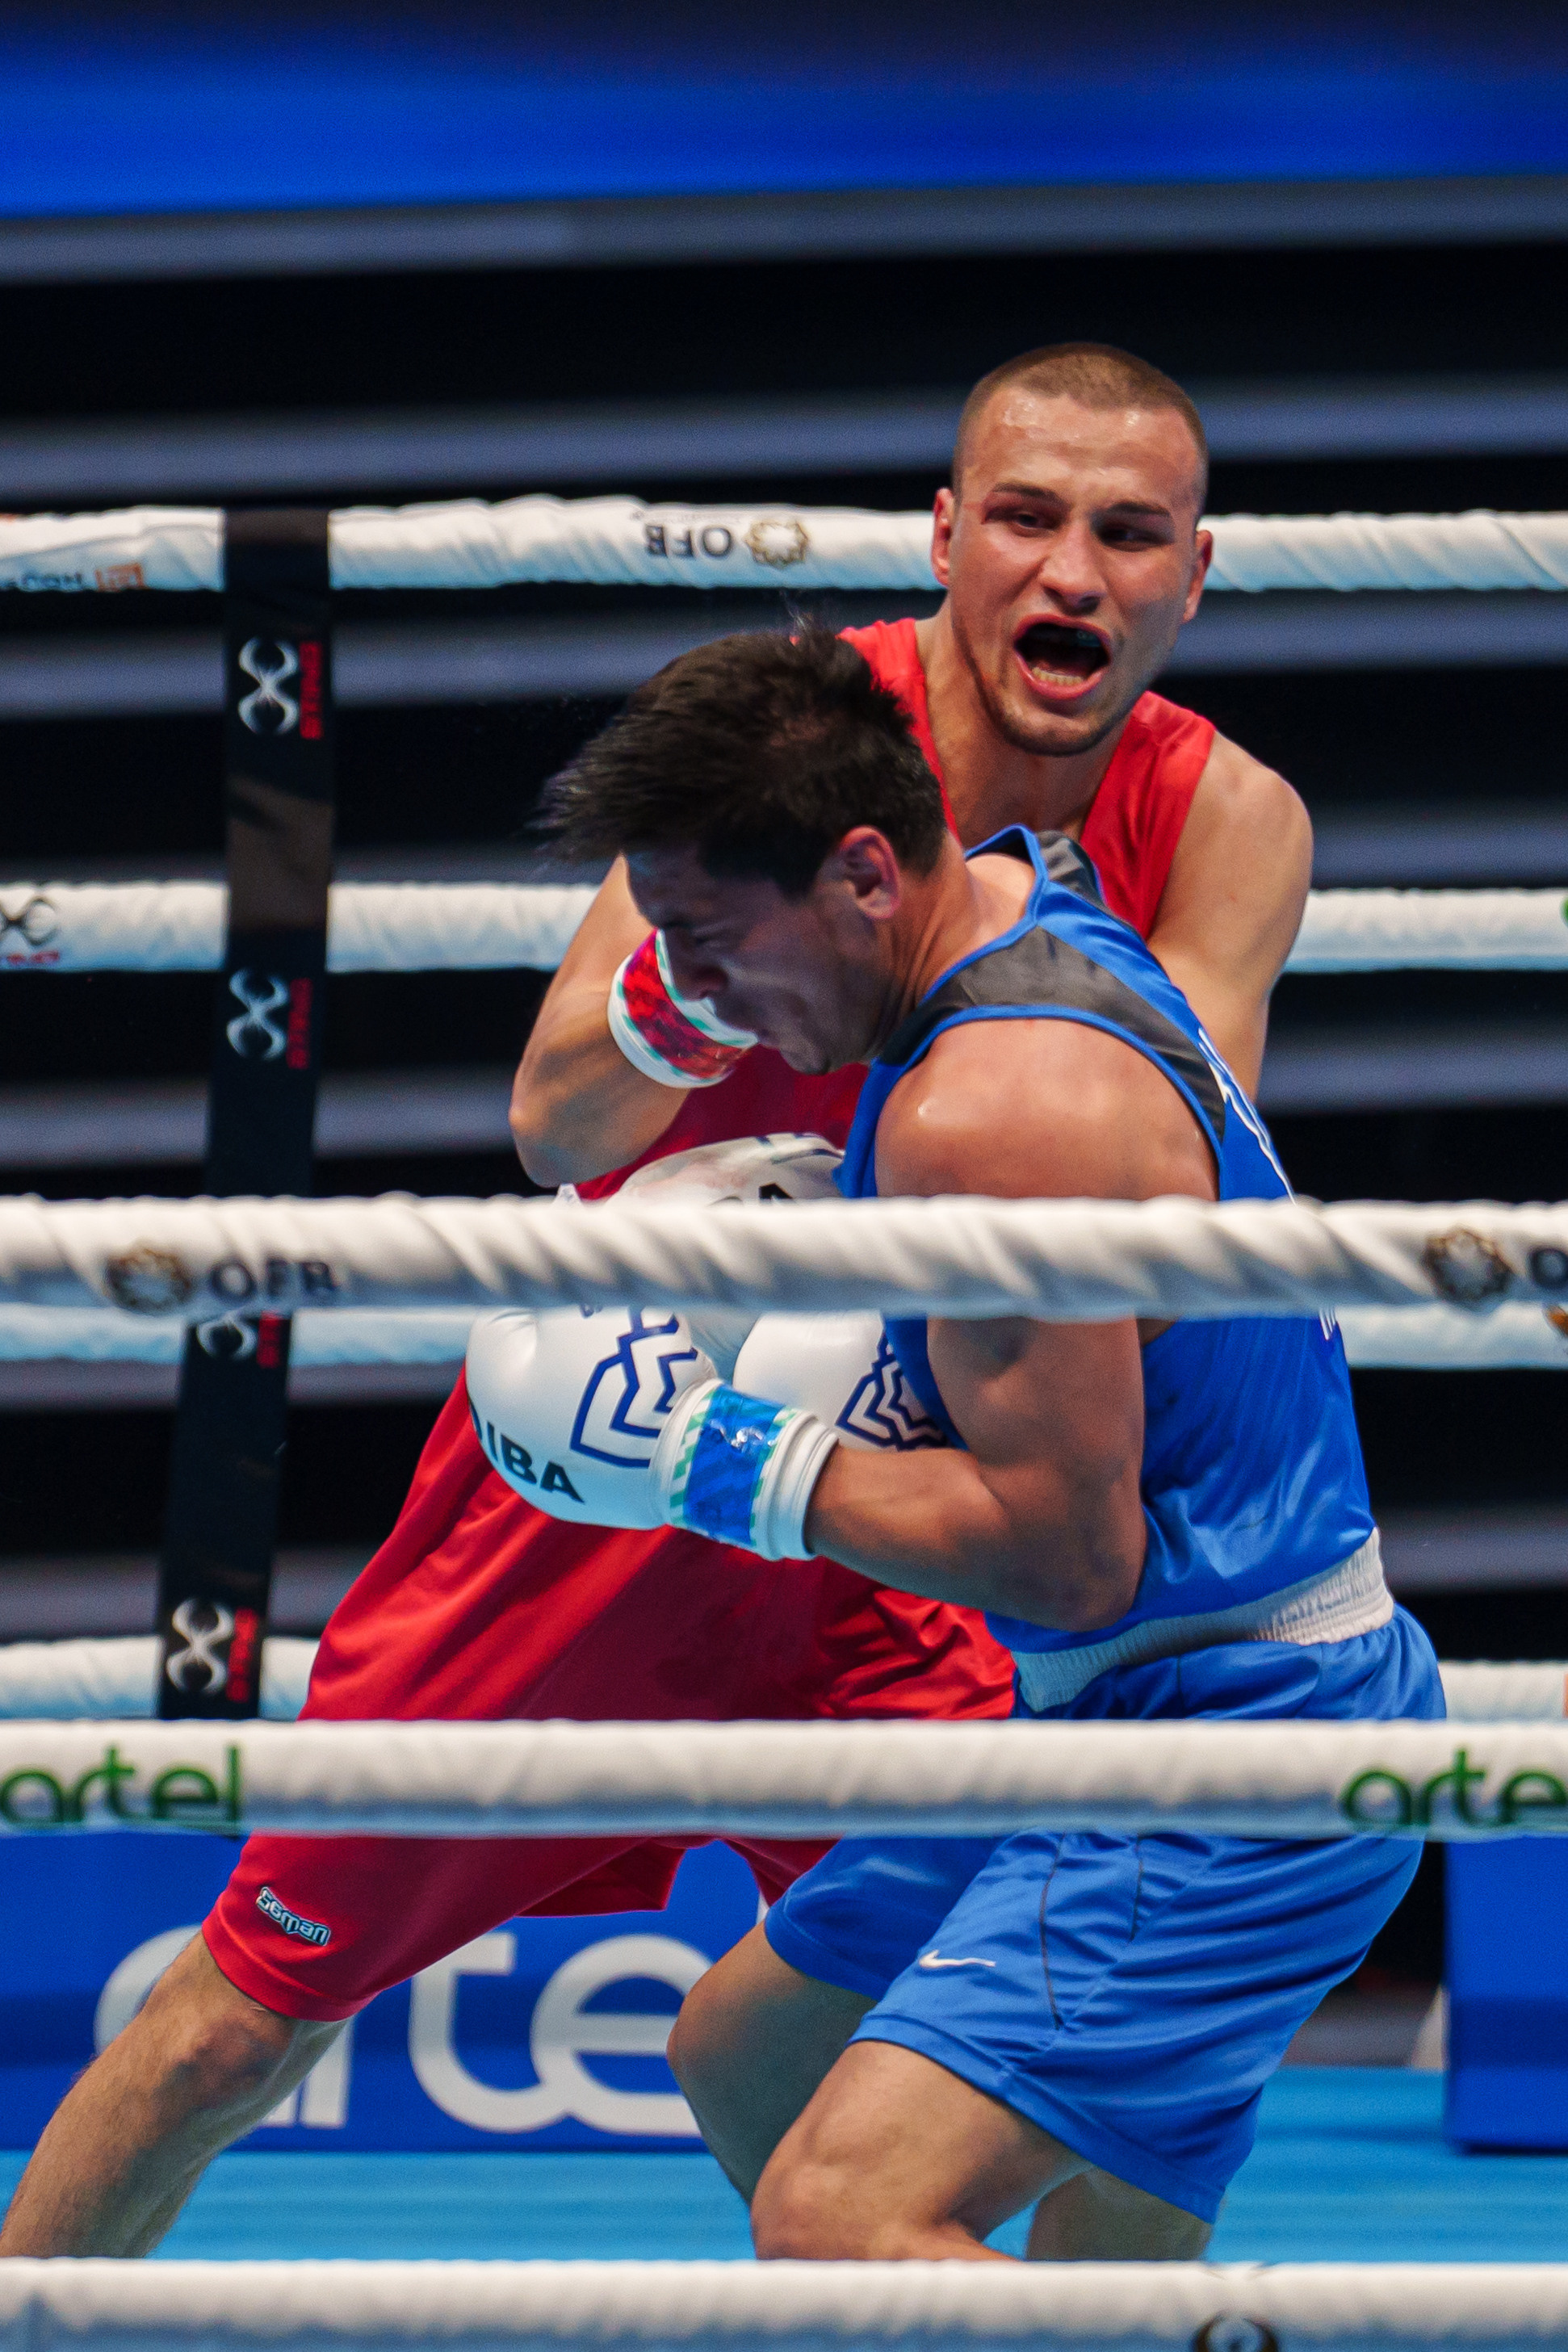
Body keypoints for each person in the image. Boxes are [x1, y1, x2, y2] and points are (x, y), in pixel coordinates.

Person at [0, 344, 1313, 2260]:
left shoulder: (1223, 819)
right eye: (1024, 520)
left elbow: (1181, 1176)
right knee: (243, 2010)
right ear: (944, 536)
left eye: (1126, 535)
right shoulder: (780, 750)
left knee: (1062, 2051)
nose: (1070, 574)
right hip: (616, 1454)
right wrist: (701, 1009)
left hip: (914, 1500)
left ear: (1194, 571)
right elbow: (551, 1118)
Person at [520, 623, 1444, 2260]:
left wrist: (706, 1458)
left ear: (864, 871)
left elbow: (1066, 1560)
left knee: (839, 2212)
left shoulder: (992, 1108)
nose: (690, 998)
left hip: (1229, 1741)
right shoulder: (1013, 896)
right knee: (742, 2054)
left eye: (708, 940)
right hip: (1130, 1707)